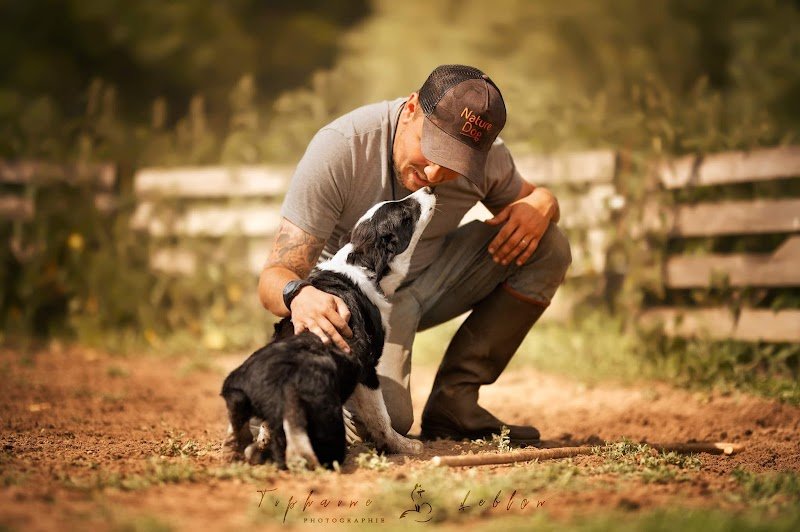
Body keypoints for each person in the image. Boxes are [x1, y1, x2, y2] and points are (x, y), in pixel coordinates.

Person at [258, 64, 571, 444]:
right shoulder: (341, 147)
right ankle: (284, 402)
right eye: (433, 148)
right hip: (352, 311)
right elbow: (275, 276)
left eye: (455, 161)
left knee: (548, 245)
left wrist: (543, 203)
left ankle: (455, 404)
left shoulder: (488, 161)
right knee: (389, 422)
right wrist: (299, 295)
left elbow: (534, 199)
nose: (435, 172)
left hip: (429, 286)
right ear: (410, 109)